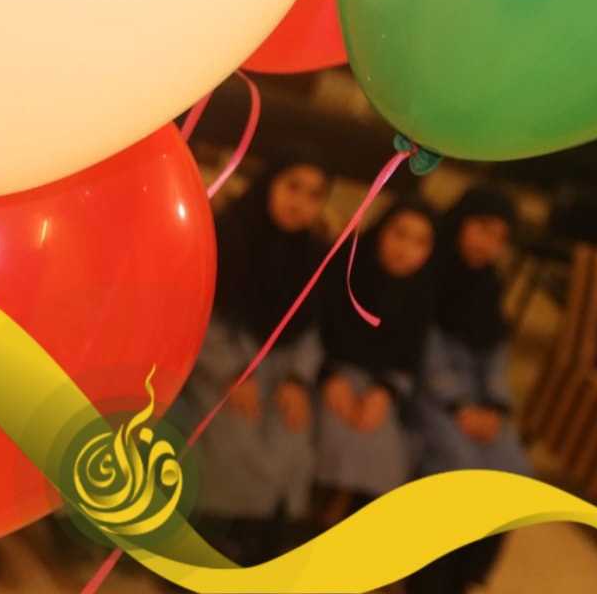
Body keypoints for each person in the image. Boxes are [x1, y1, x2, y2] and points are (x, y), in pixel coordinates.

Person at [173, 149, 331, 565]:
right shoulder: (228, 234)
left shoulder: (314, 254)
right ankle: (205, 548)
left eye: (314, 195)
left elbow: (311, 328)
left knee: (293, 435)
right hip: (217, 363)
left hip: (281, 369)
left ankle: (262, 548)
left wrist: (297, 380)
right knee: (231, 435)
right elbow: (200, 312)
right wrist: (233, 372)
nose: (300, 203)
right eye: (292, 187)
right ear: (269, 184)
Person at [407, 186, 527, 594]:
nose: (488, 245)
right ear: (461, 221)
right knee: (460, 465)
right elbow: (423, 344)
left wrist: (494, 406)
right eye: (482, 229)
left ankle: (465, 577)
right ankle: (427, 580)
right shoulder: (430, 269)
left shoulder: (488, 284)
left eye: (500, 238)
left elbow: (496, 352)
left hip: (476, 396)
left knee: (512, 470)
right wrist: (459, 405)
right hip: (428, 392)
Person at [315, 199, 437, 526]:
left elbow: (410, 358)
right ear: (381, 230)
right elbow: (313, 330)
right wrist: (328, 376)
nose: (405, 249)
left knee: (384, 454)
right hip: (324, 375)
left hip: (379, 388)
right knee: (331, 440)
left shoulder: (421, 294)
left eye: (420, 242)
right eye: (399, 234)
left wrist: (385, 391)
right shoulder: (344, 270)